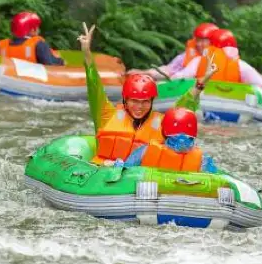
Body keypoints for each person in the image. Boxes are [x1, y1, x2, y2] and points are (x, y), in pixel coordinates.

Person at [78, 22, 217, 166]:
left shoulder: (162, 124)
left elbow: (183, 108)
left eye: (145, 101)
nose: (140, 106)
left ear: (151, 101)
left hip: (140, 179)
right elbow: (95, 89)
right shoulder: (106, 115)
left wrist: (202, 82)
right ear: (125, 100)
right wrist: (87, 54)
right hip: (103, 172)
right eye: (134, 101)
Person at [112, 107, 220, 173]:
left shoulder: (145, 151)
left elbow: (125, 170)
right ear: (194, 134)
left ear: (164, 131)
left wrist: (118, 166)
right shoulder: (203, 160)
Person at [171, 28, 262, 90]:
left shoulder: (198, 61)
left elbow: (177, 78)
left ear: (211, 45)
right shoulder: (241, 65)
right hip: (233, 105)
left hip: (202, 99)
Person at [139, 22, 218, 78]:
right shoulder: (184, 57)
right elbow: (169, 69)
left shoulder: (224, 57)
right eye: (197, 40)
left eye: (203, 41)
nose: (198, 44)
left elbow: (184, 74)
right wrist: (146, 73)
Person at [0, 11, 64, 65]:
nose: (38, 30)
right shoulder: (39, 44)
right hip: (33, 80)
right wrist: (60, 61)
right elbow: (50, 66)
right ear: (32, 30)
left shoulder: (5, 46)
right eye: (37, 27)